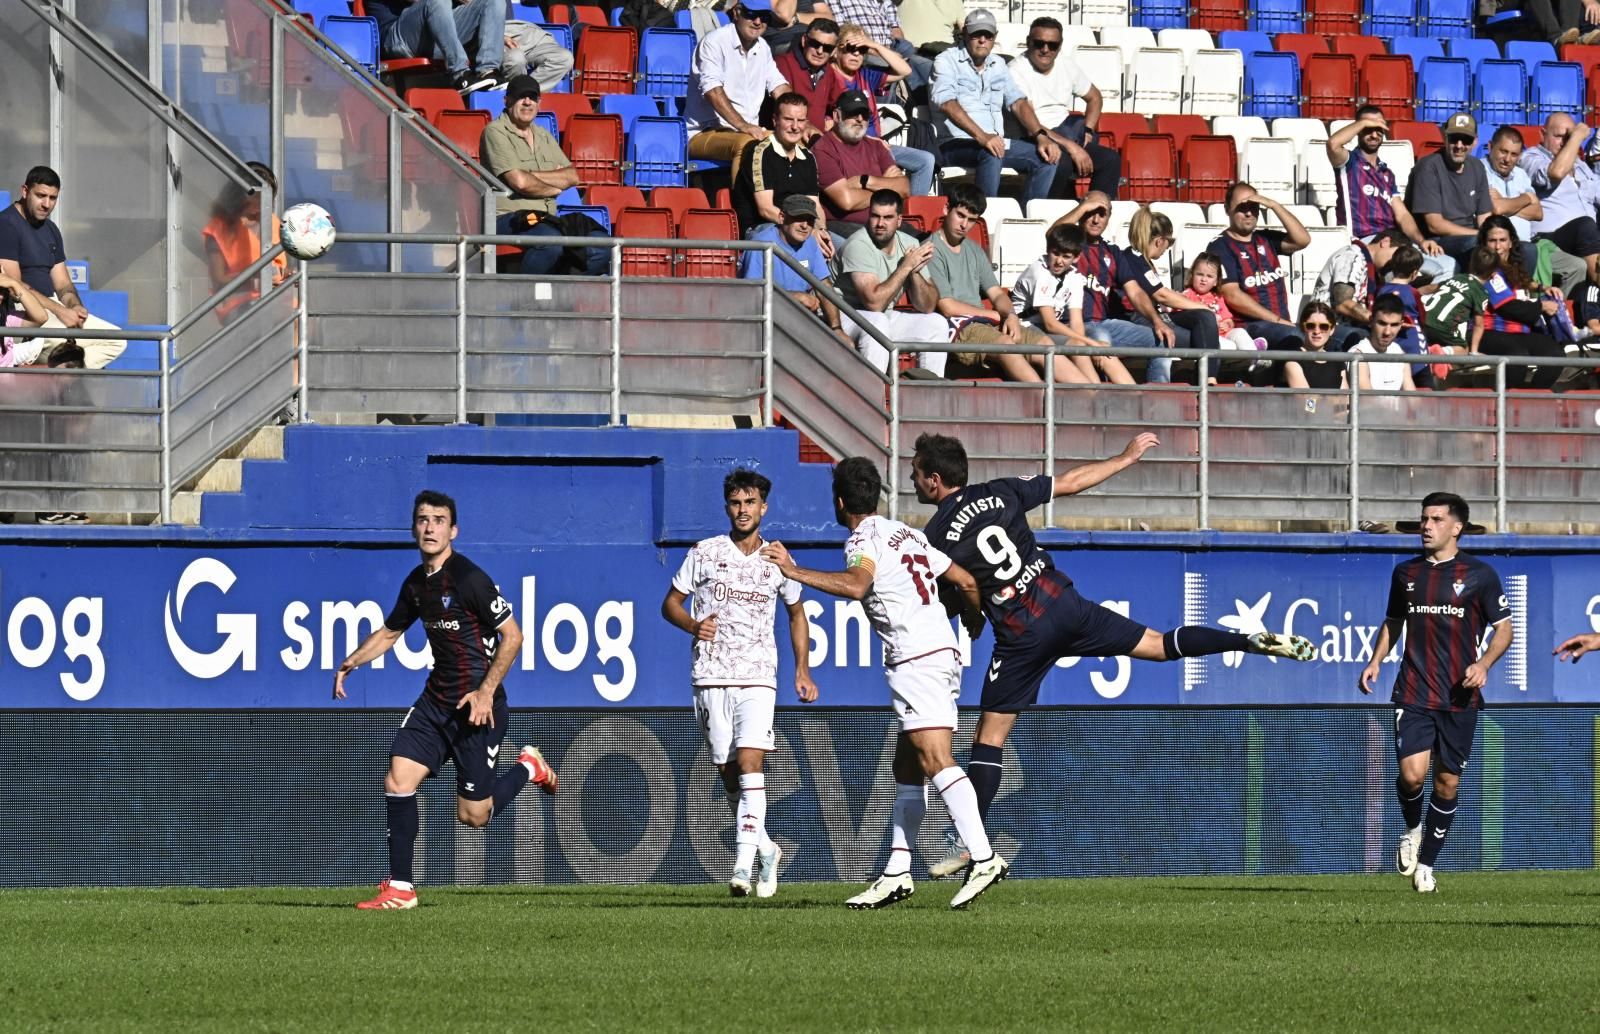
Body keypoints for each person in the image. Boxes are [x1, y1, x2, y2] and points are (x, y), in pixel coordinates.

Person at [912, 432, 1315, 876]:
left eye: (915, 472)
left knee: (989, 738)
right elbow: (1071, 482)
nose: (912, 481)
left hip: (1022, 633)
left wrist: (971, 616)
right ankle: (1244, 640)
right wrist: (1125, 458)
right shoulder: (1001, 490)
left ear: (934, 480)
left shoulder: (935, 536)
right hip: (1065, 606)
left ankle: (969, 842)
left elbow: (956, 590)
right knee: (1160, 645)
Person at [758, 458, 1008, 910]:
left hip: (917, 658)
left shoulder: (862, 541)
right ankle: (897, 872)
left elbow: (857, 585)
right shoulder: (906, 533)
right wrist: (972, 619)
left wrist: (793, 571)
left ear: (839, 502)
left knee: (935, 758)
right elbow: (966, 580)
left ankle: (984, 856)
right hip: (940, 652)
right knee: (907, 766)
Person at [333, 490, 558, 910]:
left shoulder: (470, 579)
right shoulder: (416, 584)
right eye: (423, 520)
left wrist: (486, 692)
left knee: (473, 816)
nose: (430, 527)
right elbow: (390, 632)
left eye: (439, 520)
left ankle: (529, 767)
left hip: (477, 708)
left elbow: (513, 636)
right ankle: (401, 888)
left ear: (453, 530)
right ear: (413, 528)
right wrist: (352, 661)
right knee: (398, 780)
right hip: (437, 702)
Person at [660, 468, 818, 898]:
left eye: (750, 502)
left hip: (758, 677)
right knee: (728, 773)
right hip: (710, 675)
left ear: (763, 508)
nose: (743, 510)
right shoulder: (705, 553)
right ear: (727, 507)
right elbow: (670, 604)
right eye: (736, 503)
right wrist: (694, 625)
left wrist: (802, 669)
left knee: (751, 764)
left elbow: (797, 614)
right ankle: (767, 849)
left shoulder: (778, 559)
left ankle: (742, 865)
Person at [1359, 492, 1513, 894]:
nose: (1426, 526)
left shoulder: (1480, 575)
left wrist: (1483, 665)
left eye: (1436, 519)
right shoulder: (1406, 573)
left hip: (1459, 697)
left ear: (1457, 528)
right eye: (1424, 519)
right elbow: (1393, 621)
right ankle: (1412, 829)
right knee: (1412, 777)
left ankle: (1427, 865)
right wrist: (1375, 660)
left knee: (1447, 784)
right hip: (1413, 689)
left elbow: (1505, 630)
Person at [927, 186, 1075, 383]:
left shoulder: (974, 250)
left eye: (971, 219)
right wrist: (994, 315)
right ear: (946, 209)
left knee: (1045, 345)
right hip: (957, 327)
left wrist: (1011, 315)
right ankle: (1046, 400)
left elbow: (997, 294)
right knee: (1006, 344)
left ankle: (1091, 398)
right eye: (960, 215)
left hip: (985, 323)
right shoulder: (931, 250)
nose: (964, 224)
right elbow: (947, 307)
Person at [480, 76, 608, 276]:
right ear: (507, 100)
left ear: (539, 103)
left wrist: (530, 174)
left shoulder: (544, 135)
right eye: (521, 97)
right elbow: (520, 182)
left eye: (532, 97)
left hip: (546, 219)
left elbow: (572, 176)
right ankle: (525, 294)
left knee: (602, 245)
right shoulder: (495, 132)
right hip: (507, 218)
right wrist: (554, 185)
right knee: (550, 241)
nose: (527, 102)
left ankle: (559, 290)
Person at [0, 166, 126, 370]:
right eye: (40, 196)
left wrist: (74, 306)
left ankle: (60, 375)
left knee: (116, 341)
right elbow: (15, 288)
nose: (46, 204)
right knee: (66, 346)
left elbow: (63, 284)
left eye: (53, 198)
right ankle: (59, 374)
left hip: (53, 306)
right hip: (25, 310)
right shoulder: (6, 224)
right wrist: (60, 311)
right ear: (24, 191)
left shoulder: (51, 229)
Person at [931, 10, 1060, 205]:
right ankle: (986, 215)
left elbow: (1018, 102)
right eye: (976, 34)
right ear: (965, 33)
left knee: (1047, 157)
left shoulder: (998, 64)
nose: (982, 40)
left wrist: (1041, 136)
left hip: (993, 142)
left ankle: (1029, 217)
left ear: (995, 37)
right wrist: (983, 137)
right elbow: (946, 103)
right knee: (991, 153)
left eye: (988, 35)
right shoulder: (946, 60)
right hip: (954, 143)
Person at [1324, 106, 1451, 281]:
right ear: (1359, 129)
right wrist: (1364, 122)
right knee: (1399, 271)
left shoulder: (1386, 173)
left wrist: (1422, 241)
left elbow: (1402, 215)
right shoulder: (1350, 163)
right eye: (1368, 129)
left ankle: (1411, 297)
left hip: (1394, 241)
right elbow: (1333, 144)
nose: (1374, 134)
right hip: (1366, 240)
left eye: (1378, 129)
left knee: (1448, 266)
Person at [836, 189, 952, 377]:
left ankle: (929, 390)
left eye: (887, 217)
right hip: (843, 315)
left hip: (882, 316)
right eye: (875, 216)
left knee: (936, 323)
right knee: (878, 322)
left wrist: (914, 272)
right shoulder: (858, 244)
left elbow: (928, 305)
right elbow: (874, 303)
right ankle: (871, 392)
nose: (880, 224)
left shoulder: (909, 243)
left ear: (899, 220)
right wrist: (906, 266)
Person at [1050, 192, 1168, 375]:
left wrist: (1157, 321)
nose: (1096, 220)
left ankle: (1159, 391)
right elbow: (1052, 235)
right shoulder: (1067, 246)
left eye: (1102, 214)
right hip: (1070, 325)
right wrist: (1084, 207)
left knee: (1161, 339)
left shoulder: (1113, 252)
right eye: (1091, 213)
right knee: (1102, 338)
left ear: (1109, 218)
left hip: (1104, 323)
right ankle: (1103, 392)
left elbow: (1135, 292)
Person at [1007, 17, 1120, 201]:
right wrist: (1072, 147)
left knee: (1110, 159)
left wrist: (1088, 130)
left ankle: (1096, 209)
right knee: (1060, 162)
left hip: (1065, 134)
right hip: (1032, 137)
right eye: (1039, 43)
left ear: (1060, 46)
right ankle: (1048, 212)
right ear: (1028, 42)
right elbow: (1030, 123)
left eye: (1052, 45)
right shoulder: (1015, 70)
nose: (1045, 49)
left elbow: (1095, 97)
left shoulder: (1066, 64)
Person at [1009, 222, 1133, 384]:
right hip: (1025, 327)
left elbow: (1076, 322)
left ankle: (1135, 394)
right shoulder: (1040, 272)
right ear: (1048, 250)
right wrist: (1091, 343)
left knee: (1103, 351)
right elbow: (1050, 324)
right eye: (1055, 254)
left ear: (1076, 257)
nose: (1059, 261)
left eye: (1066, 256)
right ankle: (1095, 391)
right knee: (1082, 344)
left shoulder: (1074, 277)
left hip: (1046, 329)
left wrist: (1093, 347)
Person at [685, 1, 793, 179]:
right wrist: (743, 125)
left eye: (764, 17)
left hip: (749, 131)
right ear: (736, 13)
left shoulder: (763, 47)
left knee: (796, 140)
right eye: (751, 14)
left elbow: (779, 86)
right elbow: (712, 91)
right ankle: (742, 198)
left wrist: (801, 121)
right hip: (704, 132)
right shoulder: (714, 42)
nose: (757, 22)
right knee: (748, 145)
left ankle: (790, 196)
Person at [1206, 181, 1311, 352]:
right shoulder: (1220, 246)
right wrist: (1278, 321)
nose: (1249, 213)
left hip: (1282, 325)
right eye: (1242, 208)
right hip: (1250, 327)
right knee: (1297, 337)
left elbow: (1303, 240)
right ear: (1227, 209)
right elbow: (1232, 295)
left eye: (1254, 207)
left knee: (1337, 335)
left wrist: (1274, 206)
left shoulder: (1265, 238)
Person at [1482, 124, 1586, 295]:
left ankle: (1556, 306)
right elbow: (1496, 208)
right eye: (1503, 151)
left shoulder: (1520, 174)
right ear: (1490, 146)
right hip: (1500, 245)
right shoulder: (1480, 170)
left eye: (1514, 154)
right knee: (1528, 251)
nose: (1507, 159)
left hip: (1530, 241)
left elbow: (1538, 213)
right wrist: (1526, 199)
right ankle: (1534, 304)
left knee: (1577, 266)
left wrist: (1506, 204)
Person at [1126, 206, 1224, 384]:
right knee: (1206, 340)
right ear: (1159, 241)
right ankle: (1204, 384)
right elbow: (1162, 295)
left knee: (1205, 319)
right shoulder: (1134, 259)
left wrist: (1204, 310)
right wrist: (1202, 305)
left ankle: (1208, 380)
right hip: (1141, 320)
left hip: (1160, 316)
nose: (1167, 248)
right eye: (1169, 243)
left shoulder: (1145, 261)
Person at [731, 93, 830, 249]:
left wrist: (821, 231)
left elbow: (815, 205)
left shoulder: (808, 157)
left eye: (800, 120)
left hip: (800, 228)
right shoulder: (760, 153)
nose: (795, 126)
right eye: (788, 119)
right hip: (763, 228)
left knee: (840, 248)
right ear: (775, 120)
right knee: (807, 245)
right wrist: (809, 231)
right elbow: (765, 209)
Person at [1466, 237, 1567, 389]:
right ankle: (1509, 398)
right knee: (1517, 355)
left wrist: (1544, 288)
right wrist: (1541, 306)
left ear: (1511, 244)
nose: (1498, 246)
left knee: (1555, 354)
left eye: (1502, 240)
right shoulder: (1487, 274)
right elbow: (1507, 306)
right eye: (1492, 240)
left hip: (1519, 332)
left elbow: (1528, 285)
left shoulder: (1514, 272)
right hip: (1489, 332)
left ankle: (1534, 396)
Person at [741, 195, 844, 336]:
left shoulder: (810, 242)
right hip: (765, 321)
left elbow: (824, 286)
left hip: (802, 316)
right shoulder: (760, 244)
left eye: (810, 220)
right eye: (799, 218)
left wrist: (837, 328)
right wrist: (796, 297)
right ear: (782, 217)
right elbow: (751, 294)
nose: (805, 226)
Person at [1518, 113, 1600, 287]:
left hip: (1586, 238)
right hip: (1550, 238)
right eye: (1559, 136)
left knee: (1587, 227)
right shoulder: (1530, 158)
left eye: (1568, 137)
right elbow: (1556, 173)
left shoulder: (1580, 165)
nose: (1565, 142)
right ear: (1543, 134)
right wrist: (1576, 137)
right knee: (1585, 226)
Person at [813, 90, 911, 234]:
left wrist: (865, 181)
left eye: (864, 115)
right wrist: (886, 187)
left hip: (885, 224)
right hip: (845, 226)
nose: (860, 119)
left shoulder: (877, 146)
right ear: (836, 116)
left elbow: (904, 188)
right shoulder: (823, 149)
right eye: (853, 113)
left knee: (925, 240)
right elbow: (847, 201)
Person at [202, 162, 287, 325]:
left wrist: (288, 276)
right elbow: (218, 281)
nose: (259, 207)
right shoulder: (218, 229)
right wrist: (256, 282)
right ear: (238, 197)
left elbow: (281, 267)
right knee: (282, 318)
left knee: (309, 322)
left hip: (278, 299)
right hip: (238, 304)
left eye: (264, 201)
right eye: (254, 200)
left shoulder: (274, 223)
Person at [1407, 112, 1493, 269]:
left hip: (1470, 236)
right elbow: (1435, 225)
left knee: (1524, 249)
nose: (1459, 146)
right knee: (1478, 244)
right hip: (1436, 240)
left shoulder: (1477, 166)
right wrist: (1480, 235)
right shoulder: (1428, 167)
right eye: (1454, 138)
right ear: (1445, 138)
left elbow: (1484, 216)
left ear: (1475, 142)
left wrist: (1493, 236)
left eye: (1466, 140)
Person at [366, 0, 507, 94]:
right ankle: (460, 74)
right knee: (437, 1)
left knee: (493, 1)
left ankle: (488, 71)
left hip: (432, 33)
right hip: (395, 37)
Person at [1182, 253, 1266, 383]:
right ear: (1192, 275)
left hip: (1225, 333)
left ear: (1216, 281)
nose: (1203, 279)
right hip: (1210, 339)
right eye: (1200, 274)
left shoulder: (1218, 297)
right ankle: (1252, 349)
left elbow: (1228, 319)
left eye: (1209, 276)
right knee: (1228, 346)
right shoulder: (1187, 295)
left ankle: (1255, 358)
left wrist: (1227, 324)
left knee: (1240, 332)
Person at [827, 0, 933, 93]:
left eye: (861, 49)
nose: (856, 53)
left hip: (886, 45)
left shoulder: (865, 75)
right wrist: (872, 49)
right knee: (894, 65)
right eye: (851, 48)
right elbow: (842, 32)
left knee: (924, 64)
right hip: (872, 53)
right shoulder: (827, 77)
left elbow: (906, 70)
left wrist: (874, 45)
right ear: (836, 50)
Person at [775, 17, 848, 140]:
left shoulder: (828, 71)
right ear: (804, 41)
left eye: (827, 48)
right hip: (787, 139)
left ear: (834, 51)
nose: (820, 51)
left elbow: (840, 103)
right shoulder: (782, 64)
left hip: (817, 141)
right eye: (815, 44)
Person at [1351, 294, 1418, 392]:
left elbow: (1411, 396)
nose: (1387, 332)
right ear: (1371, 321)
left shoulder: (1399, 352)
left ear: (1401, 325)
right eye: (1382, 323)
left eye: (1394, 325)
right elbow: (1367, 399)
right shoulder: (1358, 355)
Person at [1283, 299, 1347, 390]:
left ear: (1332, 330)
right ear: (1302, 327)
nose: (1317, 331)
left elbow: (1346, 397)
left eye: (1324, 326)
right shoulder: (1293, 361)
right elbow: (1306, 398)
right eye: (1310, 326)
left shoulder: (1338, 361)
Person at [500, 18, 575, 94]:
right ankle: (517, 94)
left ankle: (526, 91)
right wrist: (500, 36)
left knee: (564, 58)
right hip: (502, 33)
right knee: (516, 59)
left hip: (533, 32)